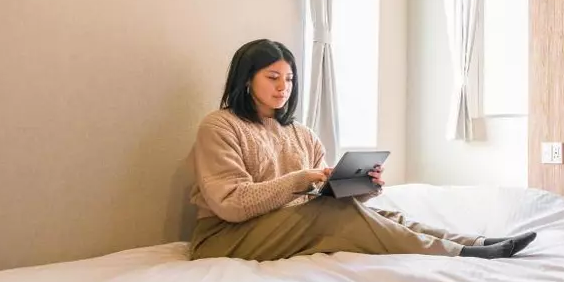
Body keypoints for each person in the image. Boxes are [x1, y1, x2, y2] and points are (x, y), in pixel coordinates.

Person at [189, 39, 536, 261]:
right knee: (332, 215)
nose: (284, 87)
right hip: (227, 237)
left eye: (289, 79)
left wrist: (361, 185)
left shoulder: (301, 133)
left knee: (373, 213)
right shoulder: (220, 127)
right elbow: (232, 204)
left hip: (281, 225)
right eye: (272, 77)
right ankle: (459, 253)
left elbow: (322, 194)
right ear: (246, 79)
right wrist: (302, 179)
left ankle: (475, 241)